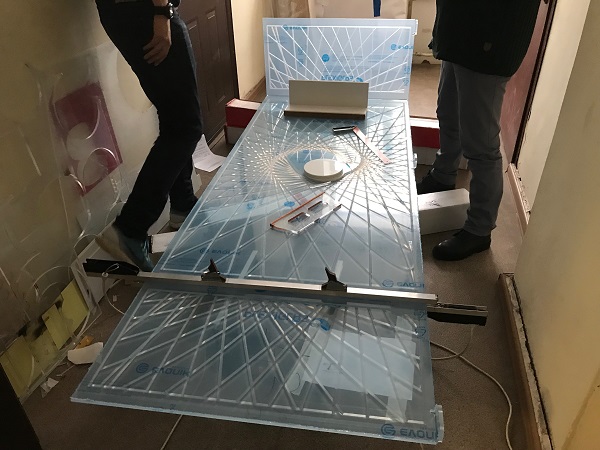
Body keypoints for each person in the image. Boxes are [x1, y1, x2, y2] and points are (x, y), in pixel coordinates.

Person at [418, 0, 540, 260]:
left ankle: (479, 229)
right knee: (448, 115)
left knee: (481, 144)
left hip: (488, 45)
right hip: (458, 34)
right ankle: (443, 175)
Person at [94, 0, 203, 271]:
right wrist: (161, 11)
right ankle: (130, 228)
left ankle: (183, 205)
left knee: (174, 118)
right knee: (186, 127)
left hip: (125, 11)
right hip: (144, 10)